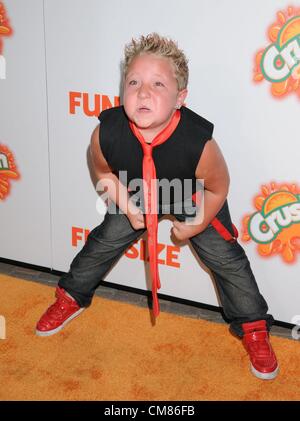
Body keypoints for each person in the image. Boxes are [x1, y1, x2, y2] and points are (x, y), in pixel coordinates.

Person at [36, 33, 278, 380]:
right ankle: (70, 296)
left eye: (158, 84)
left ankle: (254, 327)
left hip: (191, 194)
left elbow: (218, 187)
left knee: (226, 258)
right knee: (102, 242)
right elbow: (103, 171)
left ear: (180, 98)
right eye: (133, 81)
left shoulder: (200, 142)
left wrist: (196, 223)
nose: (143, 92)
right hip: (135, 191)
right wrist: (126, 205)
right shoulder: (106, 131)